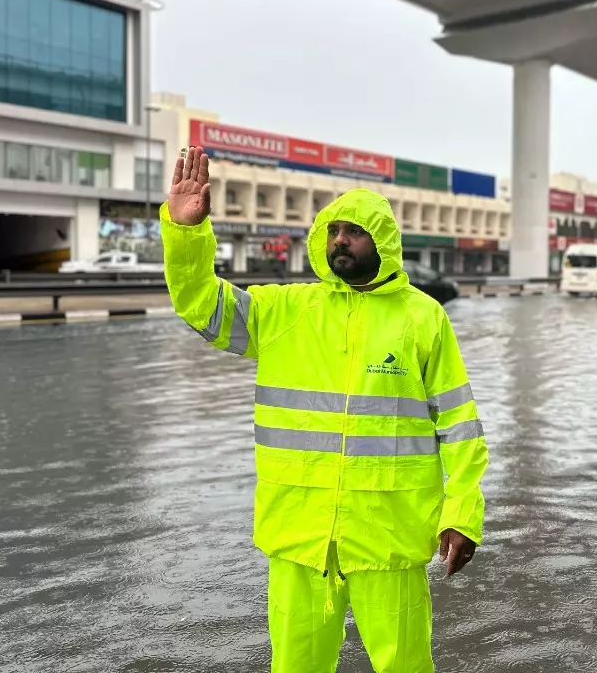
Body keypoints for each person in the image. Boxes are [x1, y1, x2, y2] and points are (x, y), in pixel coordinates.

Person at [161, 146, 488, 673]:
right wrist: (185, 233)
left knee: (405, 664)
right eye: (333, 230)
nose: (340, 240)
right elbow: (202, 304)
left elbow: (460, 426)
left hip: (390, 533)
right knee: (295, 666)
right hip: (299, 536)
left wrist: (462, 514)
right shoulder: (286, 310)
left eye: (354, 231)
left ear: (381, 240)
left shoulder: (423, 319)